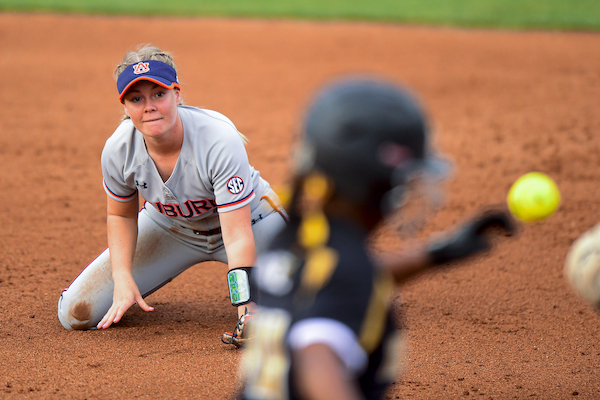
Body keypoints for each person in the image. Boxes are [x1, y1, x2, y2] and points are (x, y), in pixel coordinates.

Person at [238, 78, 514, 400]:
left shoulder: (296, 236)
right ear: (380, 184)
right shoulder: (344, 269)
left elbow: (344, 279)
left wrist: (436, 254)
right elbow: (316, 358)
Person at [57, 44, 288, 344]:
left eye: (159, 94)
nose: (149, 106)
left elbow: (237, 235)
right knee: (76, 313)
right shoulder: (118, 150)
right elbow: (120, 214)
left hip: (252, 224)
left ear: (177, 94)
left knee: (317, 302)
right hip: (172, 227)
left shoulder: (218, 139)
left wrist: (248, 309)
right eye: (136, 98)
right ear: (124, 107)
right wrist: (123, 277)